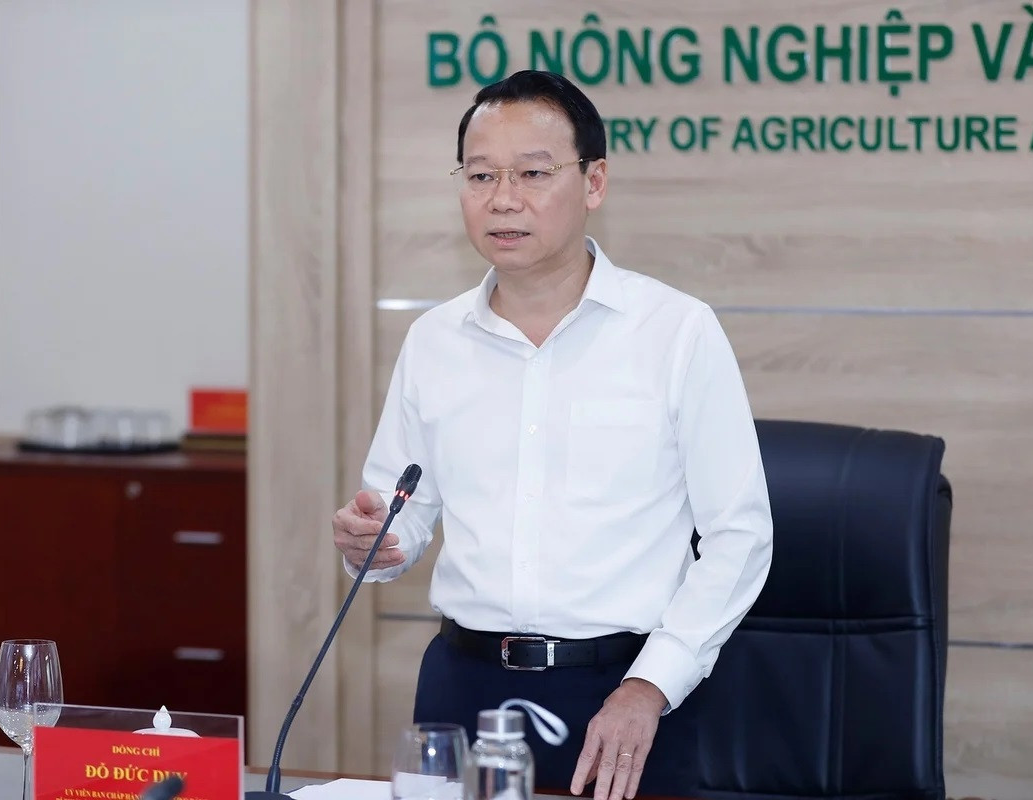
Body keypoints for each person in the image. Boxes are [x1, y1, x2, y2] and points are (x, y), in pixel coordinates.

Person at [331, 69, 772, 800]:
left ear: (594, 182)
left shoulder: (676, 333)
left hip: (624, 698)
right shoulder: (434, 340)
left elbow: (741, 536)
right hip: (462, 689)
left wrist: (652, 685)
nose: (503, 198)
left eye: (533, 173)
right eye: (481, 175)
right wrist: (371, 542)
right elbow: (400, 516)